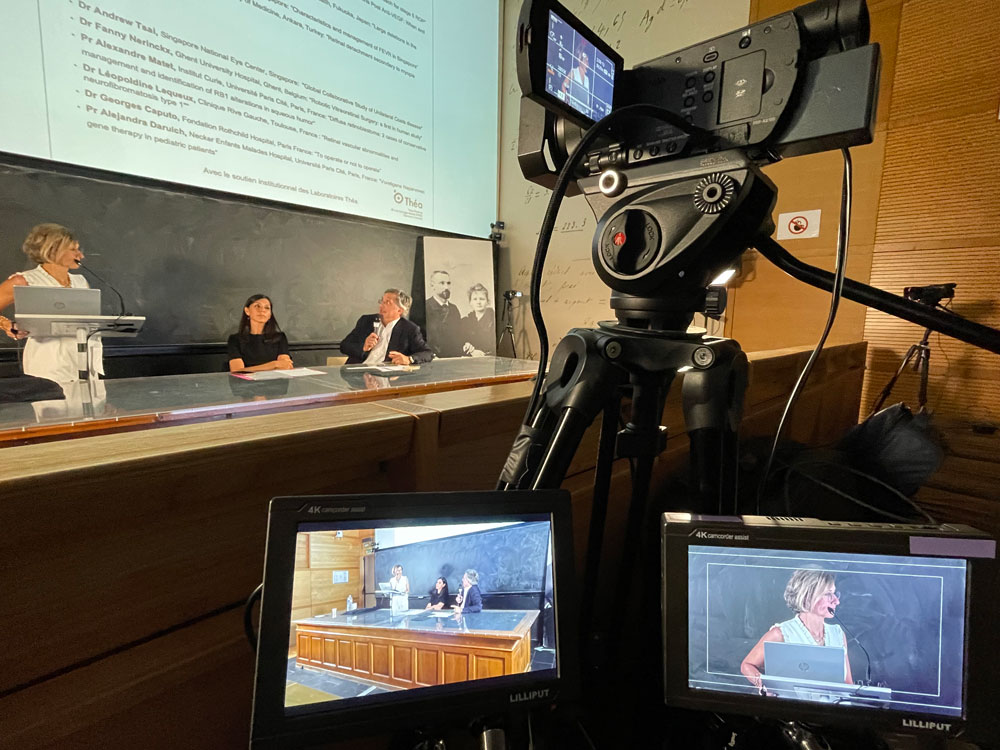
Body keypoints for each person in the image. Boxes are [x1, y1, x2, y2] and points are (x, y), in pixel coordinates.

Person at [0, 223, 104, 383]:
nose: (81, 256)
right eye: (74, 249)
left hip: (84, 362)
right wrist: (7, 325)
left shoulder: (80, 281)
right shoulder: (24, 280)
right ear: (53, 250)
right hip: (48, 363)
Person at [740, 568, 853, 693]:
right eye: (828, 594)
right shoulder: (781, 633)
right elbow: (747, 665)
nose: (836, 601)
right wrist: (764, 685)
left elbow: (848, 684)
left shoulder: (838, 634)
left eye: (835, 593)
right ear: (808, 597)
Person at [340, 289, 432, 365]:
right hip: (358, 374)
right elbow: (344, 346)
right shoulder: (366, 321)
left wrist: (409, 359)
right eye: (382, 301)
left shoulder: (410, 329)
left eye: (387, 302)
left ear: (399, 310)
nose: (381, 305)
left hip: (387, 375)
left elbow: (428, 353)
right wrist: (363, 347)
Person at [227, 294, 293, 372]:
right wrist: (274, 364)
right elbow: (237, 371)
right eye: (257, 306)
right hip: (247, 380)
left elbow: (285, 365)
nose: (262, 310)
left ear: (270, 314)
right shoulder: (235, 339)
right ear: (247, 311)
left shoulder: (280, 337)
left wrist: (252, 369)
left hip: (274, 379)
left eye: (267, 308)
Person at [424, 270, 464, 358]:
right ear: (432, 286)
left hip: (454, 359)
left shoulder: (454, 309)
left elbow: (459, 336)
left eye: (448, 283)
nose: (446, 287)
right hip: (433, 360)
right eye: (442, 283)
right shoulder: (425, 307)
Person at [461, 283, 496, 357]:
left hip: (489, 358)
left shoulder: (493, 320)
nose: (478, 302)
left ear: (487, 301)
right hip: (470, 359)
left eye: (482, 299)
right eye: (475, 299)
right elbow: (461, 341)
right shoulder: (465, 322)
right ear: (470, 302)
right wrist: (468, 346)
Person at [560, 43, 592, 115]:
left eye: (588, 60)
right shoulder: (573, 72)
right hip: (571, 109)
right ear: (580, 61)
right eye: (586, 60)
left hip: (581, 113)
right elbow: (563, 86)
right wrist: (567, 100)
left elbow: (587, 99)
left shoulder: (587, 79)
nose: (587, 63)